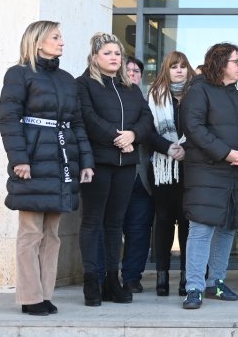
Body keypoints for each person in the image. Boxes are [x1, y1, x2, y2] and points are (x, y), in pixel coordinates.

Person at [0, 21, 95, 316]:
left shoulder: (67, 79)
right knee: (30, 232)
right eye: (56, 37)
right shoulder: (19, 74)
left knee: (52, 234)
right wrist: (19, 159)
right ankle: (30, 296)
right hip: (33, 159)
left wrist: (86, 162)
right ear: (38, 42)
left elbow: (77, 123)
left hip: (63, 161)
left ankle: (45, 294)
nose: (62, 42)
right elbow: (9, 119)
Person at [180, 43, 238, 310]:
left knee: (227, 229)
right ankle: (193, 287)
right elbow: (193, 128)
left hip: (236, 173)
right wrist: (226, 153)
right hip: (207, 172)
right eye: (236, 62)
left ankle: (215, 282)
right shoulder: (199, 91)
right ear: (220, 64)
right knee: (201, 229)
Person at [76, 33, 154, 306]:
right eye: (108, 53)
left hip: (126, 164)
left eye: (118, 54)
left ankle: (112, 280)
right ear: (95, 56)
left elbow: (147, 118)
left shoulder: (130, 87)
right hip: (98, 162)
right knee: (92, 221)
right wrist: (116, 137)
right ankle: (91, 282)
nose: (114, 58)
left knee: (115, 223)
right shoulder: (84, 84)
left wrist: (132, 135)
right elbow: (87, 117)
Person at [147, 51, 191, 296]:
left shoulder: (195, 96)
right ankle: (162, 277)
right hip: (161, 168)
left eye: (183, 66)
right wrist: (168, 148)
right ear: (166, 69)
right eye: (174, 66)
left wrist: (185, 149)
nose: (179, 70)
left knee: (186, 223)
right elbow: (147, 130)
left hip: (189, 167)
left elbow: (198, 126)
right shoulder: (154, 96)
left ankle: (186, 277)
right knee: (163, 222)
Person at [120, 56, 155, 294]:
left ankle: (132, 277)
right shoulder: (110, 100)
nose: (132, 74)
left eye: (136, 71)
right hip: (115, 175)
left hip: (142, 179)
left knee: (139, 231)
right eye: (128, 70)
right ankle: (107, 275)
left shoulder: (148, 103)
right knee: (111, 229)